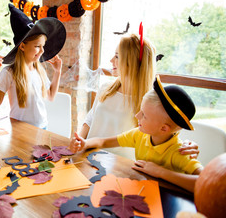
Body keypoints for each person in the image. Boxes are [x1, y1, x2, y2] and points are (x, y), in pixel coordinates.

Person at [70, 76, 203, 192]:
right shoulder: (140, 135)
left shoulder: (179, 152)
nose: (137, 115)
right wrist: (84, 143)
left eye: (144, 115)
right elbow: (103, 142)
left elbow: (203, 182)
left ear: (163, 128)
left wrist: (161, 172)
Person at [79, 31, 199, 159]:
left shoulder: (149, 101)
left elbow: (165, 130)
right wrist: (79, 141)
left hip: (120, 167)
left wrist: (188, 145)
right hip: (88, 156)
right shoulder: (105, 88)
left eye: (117, 56)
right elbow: (90, 119)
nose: (111, 60)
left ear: (132, 63)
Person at [0, 4, 66, 129]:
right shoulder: (9, 72)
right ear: (22, 46)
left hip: (43, 127)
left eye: (43, 46)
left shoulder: (39, 71)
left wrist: (58, 71)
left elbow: (50, 96)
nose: (42, 51)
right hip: (21, 130)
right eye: (37, 46)